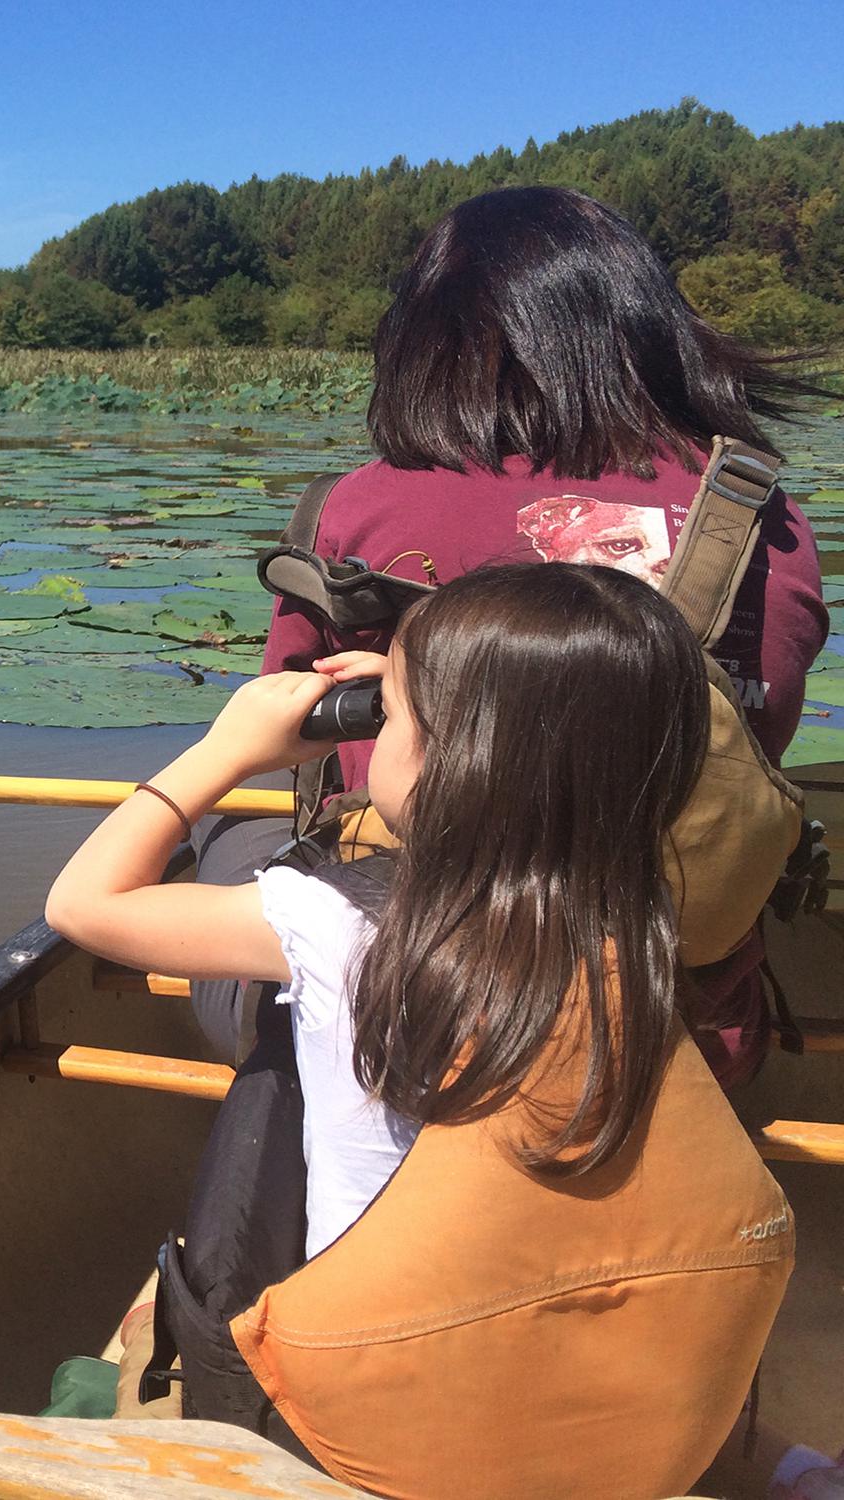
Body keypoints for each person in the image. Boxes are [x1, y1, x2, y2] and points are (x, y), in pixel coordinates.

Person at [46, 564, 793, 1499]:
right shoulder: (635, 916)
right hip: (544, 1362)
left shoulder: (338, 923)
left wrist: (224, 749)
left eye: (389, 718)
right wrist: (424, 684)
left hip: (374, 1380)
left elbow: (83, 903)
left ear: (449, 759)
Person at [185, 184, 829, 1082]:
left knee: (228, 839)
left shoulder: (355, 508)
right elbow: (769, 726)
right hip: (675, 1030)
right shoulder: (761, 514)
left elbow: (289, 716)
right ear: (650, 328)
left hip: (408, 1018)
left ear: (423, 344)